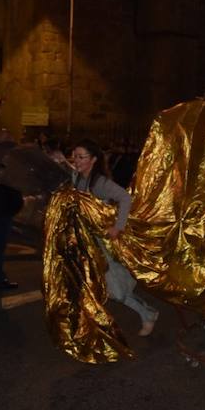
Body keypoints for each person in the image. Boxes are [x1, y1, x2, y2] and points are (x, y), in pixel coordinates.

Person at [72, 139, 158, 336]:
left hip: (101, 245)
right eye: (74, 156)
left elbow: (125, 198)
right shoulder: (77, 178)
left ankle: (147, 313)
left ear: (93, 160)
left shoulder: (100, 183)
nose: (76, 160)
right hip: (84, 242)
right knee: (83, 285)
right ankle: (87, 327)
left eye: (81, 157)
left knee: (116, 291)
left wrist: (117, 227)